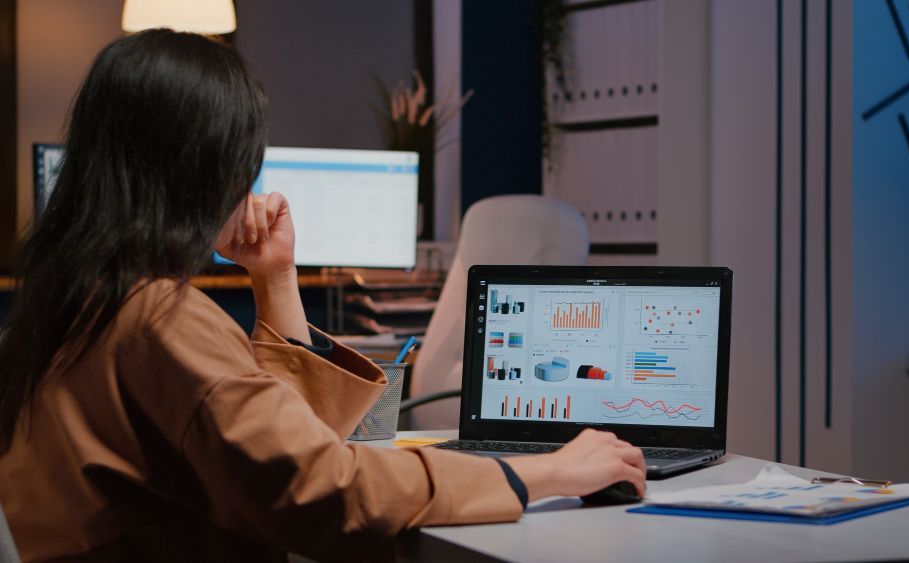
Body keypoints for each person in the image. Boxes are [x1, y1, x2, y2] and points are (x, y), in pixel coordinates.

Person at [0, 30, 646, 562]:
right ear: (207, 168)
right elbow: (320, 487)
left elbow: (276, 443)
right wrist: (545, 473)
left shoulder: (79, 293)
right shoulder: (158, 318)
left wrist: (275, 278)